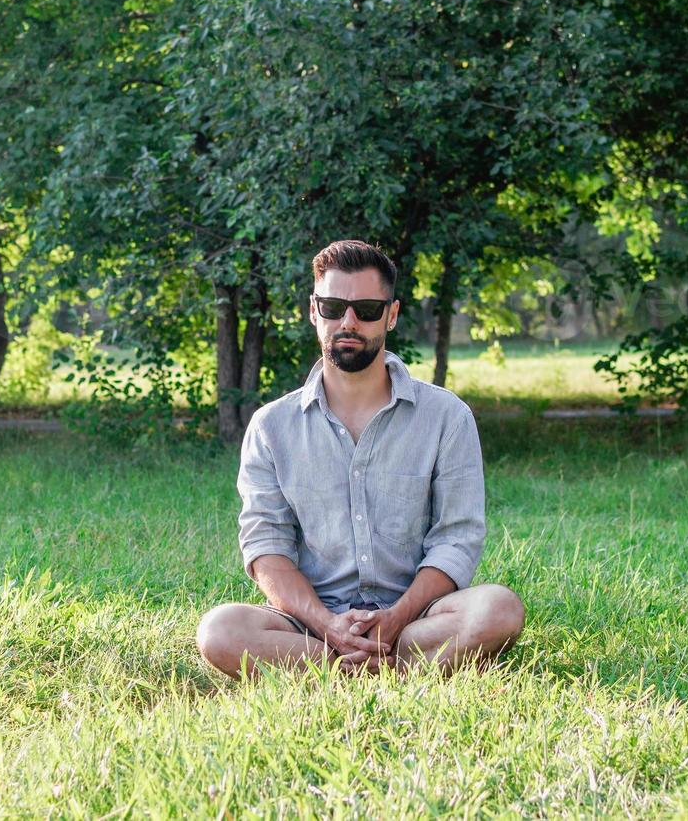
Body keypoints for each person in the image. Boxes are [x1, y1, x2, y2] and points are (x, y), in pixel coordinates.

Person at [196, 239, 525, 678]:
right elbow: (267, 549)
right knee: (220, 630)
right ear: (314, 311)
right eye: (333, 307)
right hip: (311, 627)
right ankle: (383, 668)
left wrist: (397, 618)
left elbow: (456, 540)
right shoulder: (271, 426)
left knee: (499, 609)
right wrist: (328, 626)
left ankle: (357, 667)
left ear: (391, 314)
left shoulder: (447, 417)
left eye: (367, 309)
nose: (348, 321)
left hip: (418, 619)